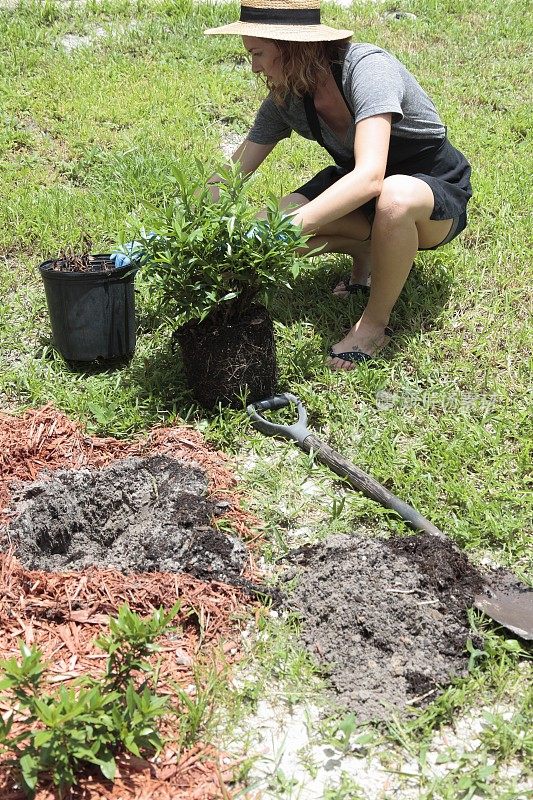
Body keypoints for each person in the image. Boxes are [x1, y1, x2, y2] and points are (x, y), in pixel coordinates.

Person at [204, 0, 472, 370]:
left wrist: (292, 227)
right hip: (362, 192)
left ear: (293, 47)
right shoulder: (287, 98)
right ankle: (368, 252)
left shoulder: (367, 69)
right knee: (266, 224)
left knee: (391, 198)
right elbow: (232, 173)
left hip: (426, 190)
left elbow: (370, 177)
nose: (254, 67)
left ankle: (373, 325)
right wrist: (175, 229)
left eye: (259, 53)